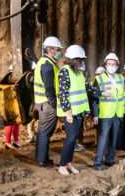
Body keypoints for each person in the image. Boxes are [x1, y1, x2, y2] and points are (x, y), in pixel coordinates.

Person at [57, 45, 90, 176]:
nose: (82, 62)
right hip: (70, 112)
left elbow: (86, 88)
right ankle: (62, 165)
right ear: (73, 59)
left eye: (82, 60)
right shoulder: (64, 71)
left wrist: (101, 92)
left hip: (79, 111)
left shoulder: (79, 73)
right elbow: (63, 93)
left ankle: (69, 164)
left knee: (74, 138)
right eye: (80, 60)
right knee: (70, 139)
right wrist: (68, 112)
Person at [34, 36, 63, 167]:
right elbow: (49, 88)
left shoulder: (45, 62)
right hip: (47, 104)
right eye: (57, 49)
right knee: (45, 133)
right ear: (50, 49)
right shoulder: (47, 65)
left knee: (42, 132)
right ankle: (43, 160)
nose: (59, 52)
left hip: (43, 103)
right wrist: (54, 104)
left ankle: (40, 157)